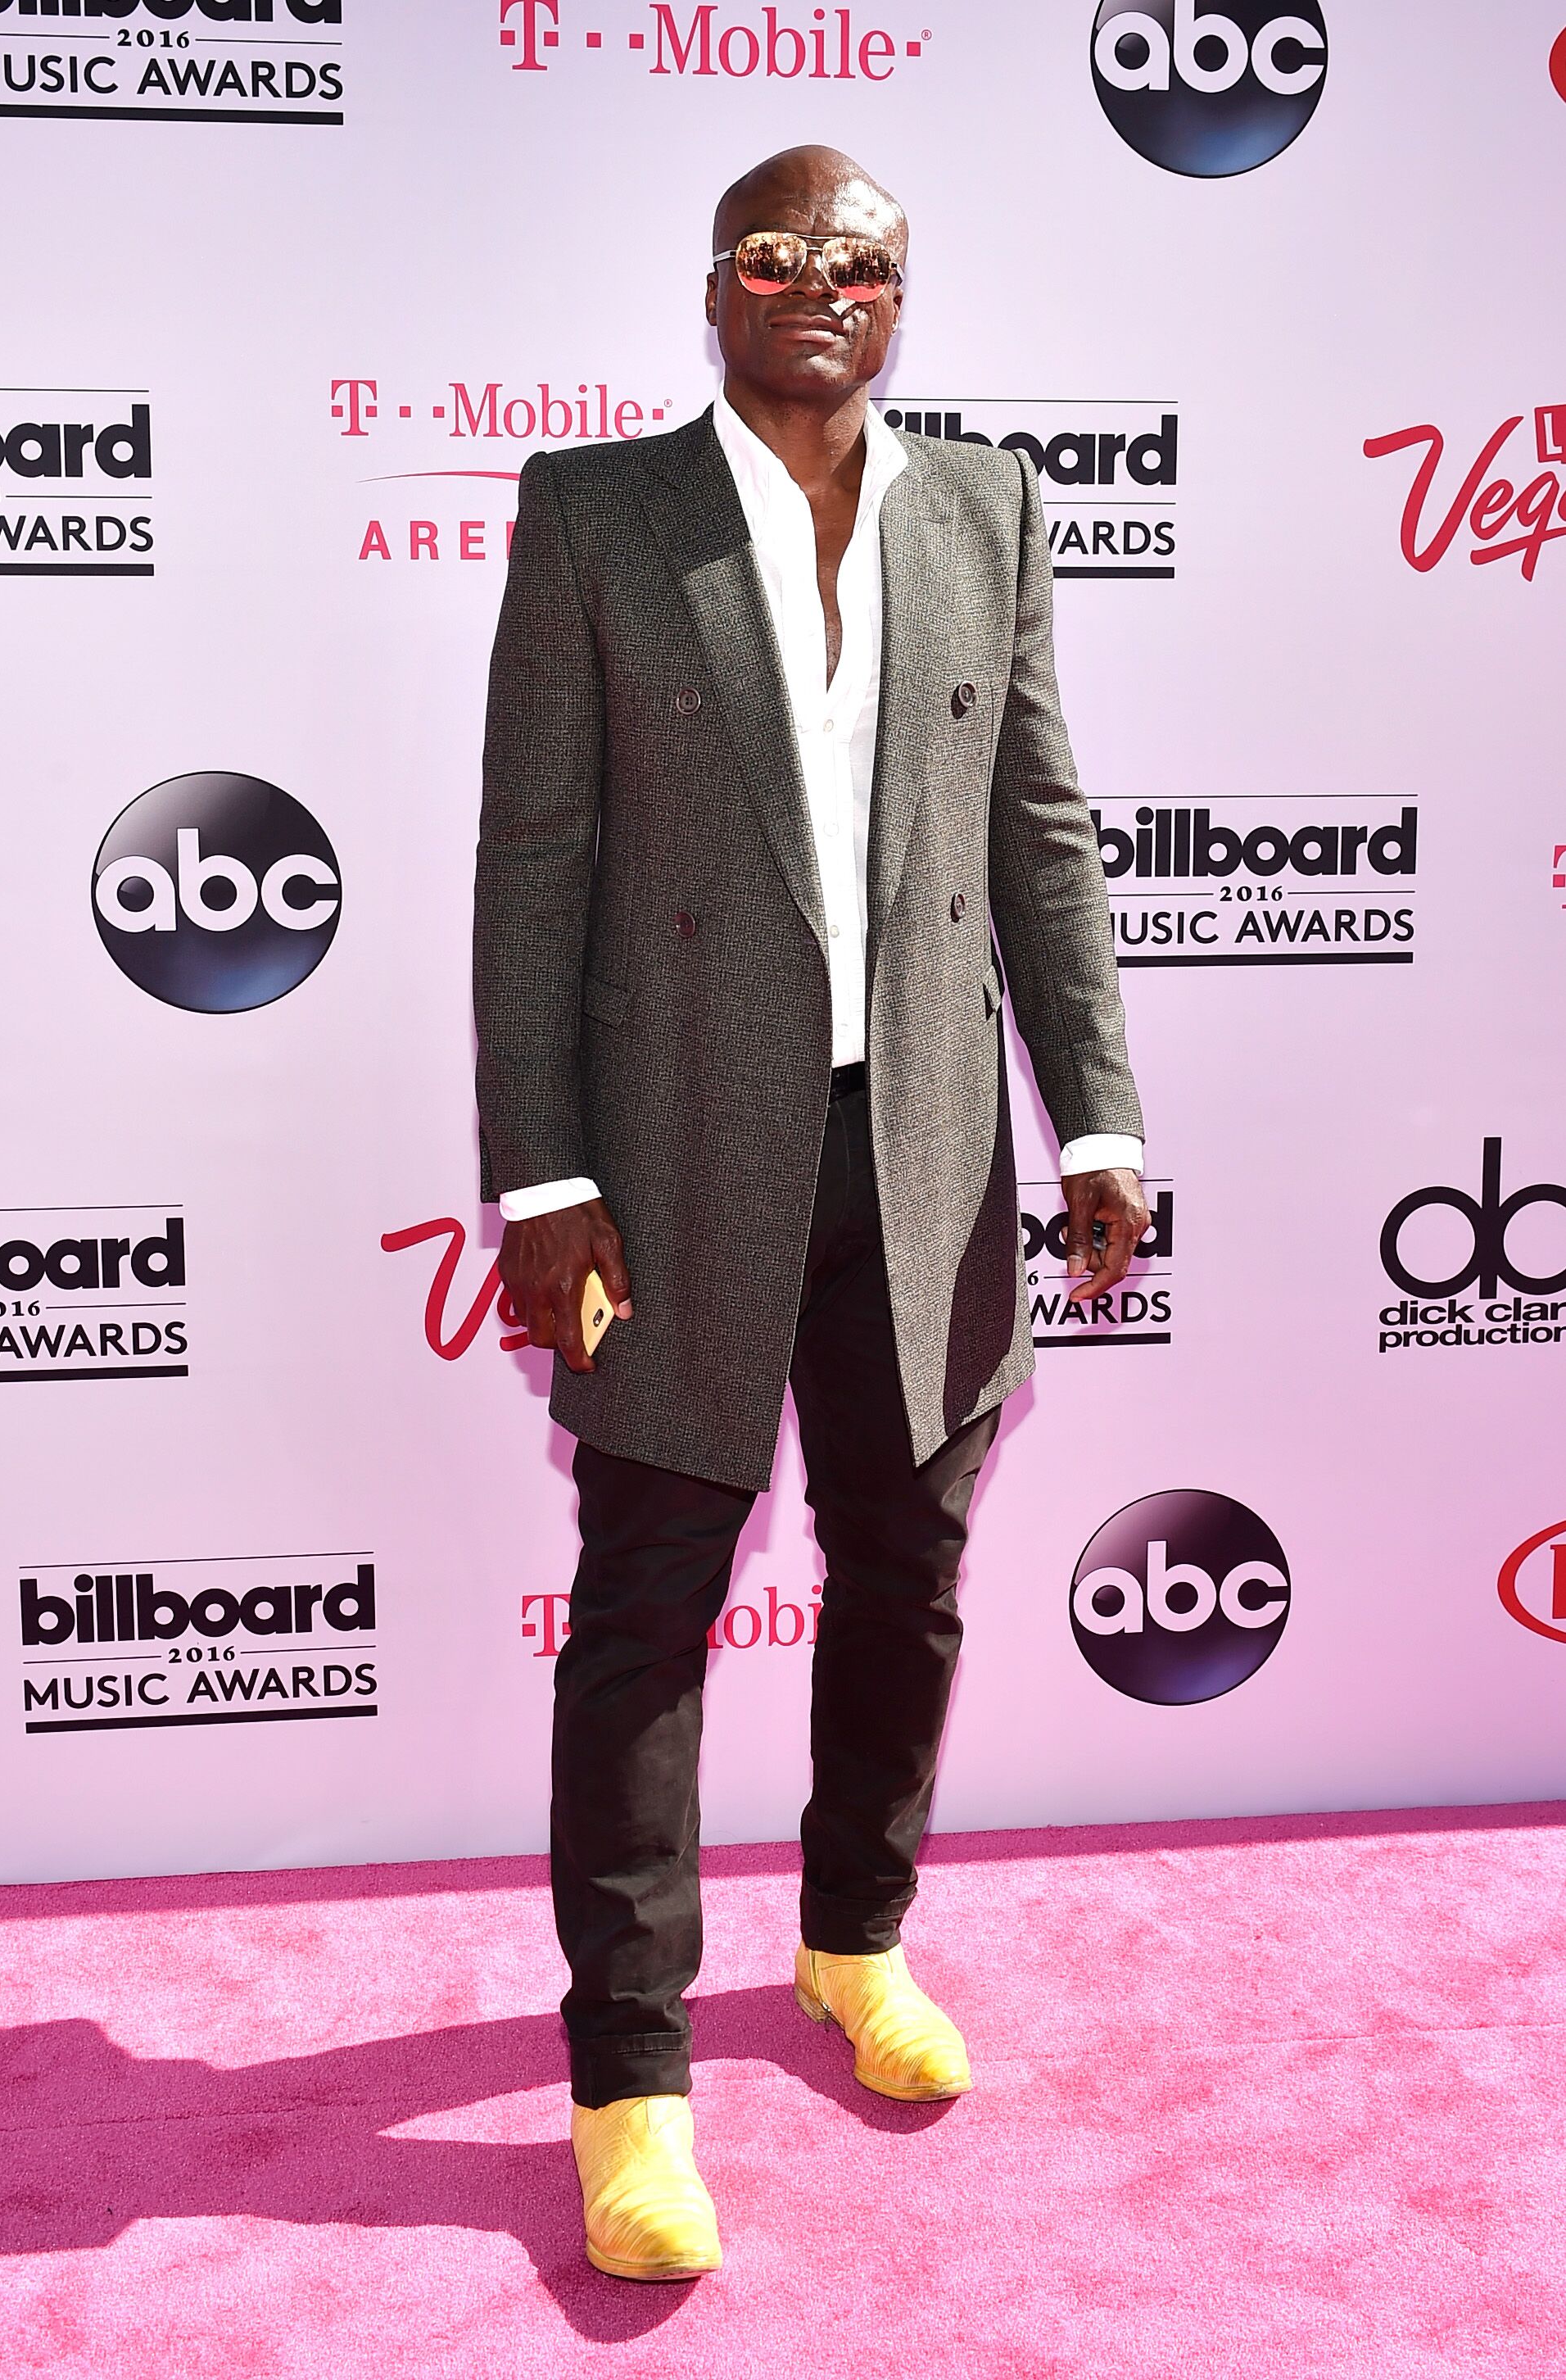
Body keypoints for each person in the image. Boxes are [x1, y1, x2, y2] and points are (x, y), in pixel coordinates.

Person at [473, 144, 1147, 2282]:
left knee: (908, 1569)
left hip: (929, 1153)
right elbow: (530, 871)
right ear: (713, 288)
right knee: (648, 1611)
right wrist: (545, 1173)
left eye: (856, 261)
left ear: (896, 297)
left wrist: (1102, 1124)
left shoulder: (986, 509)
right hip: (667, 1159)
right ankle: (630, 2084)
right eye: (777, 256)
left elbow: (1039, 841)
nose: (818, 287)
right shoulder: (599, 516)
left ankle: (856, 1940)